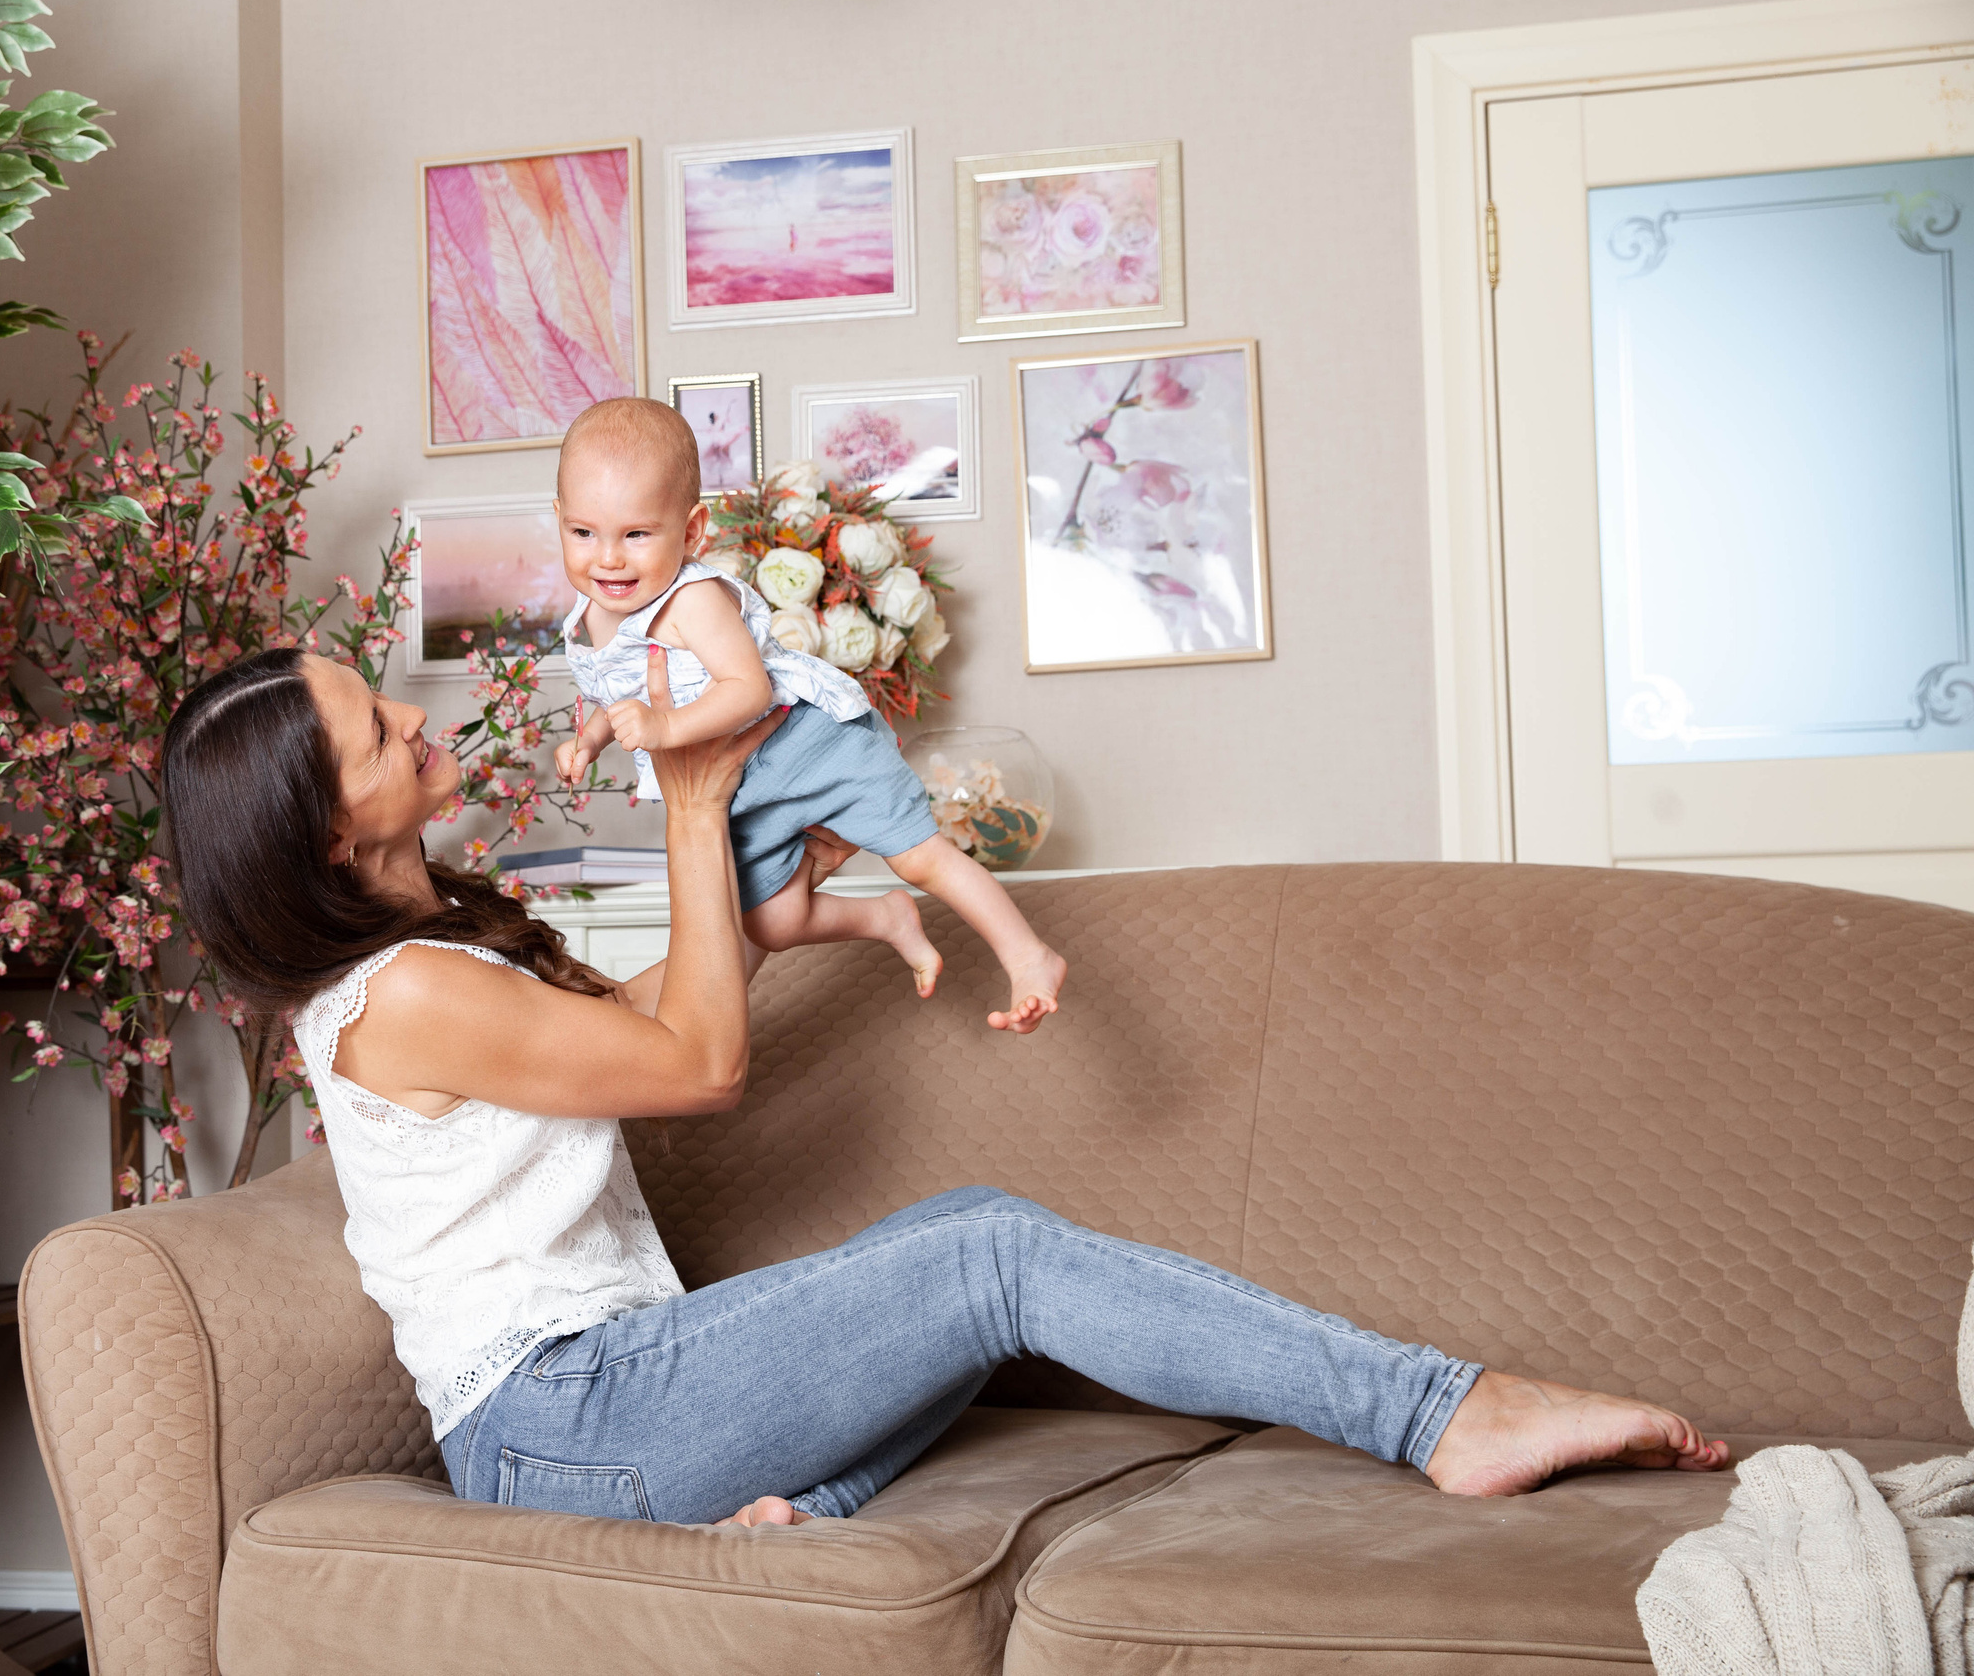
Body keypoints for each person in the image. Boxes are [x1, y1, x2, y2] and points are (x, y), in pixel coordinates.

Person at [159, 640, 1732, 1530]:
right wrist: (698, 800)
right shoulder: (403, 991)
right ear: (326, 832)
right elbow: (694, 1067)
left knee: (969, 1228)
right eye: (377, 726)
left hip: (615, 1394)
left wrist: (774, 906)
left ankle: (784, 1518)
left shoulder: (428, 962)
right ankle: (1445, 1411)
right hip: (563, 1421)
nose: (412, 714)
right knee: (990, 1260)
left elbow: (629, 1029)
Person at [553, 396, 1065, 1033]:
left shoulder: (694, 600)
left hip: (811, 744)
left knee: (920, 857)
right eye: (584, 533)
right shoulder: (589, 618)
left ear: (690, 533)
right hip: (736, 793)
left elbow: (747, 689)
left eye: (636, 534)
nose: (608, 558)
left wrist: (663, 731)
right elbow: (615, 695)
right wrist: (591, 739)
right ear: (559, 521)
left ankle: (1028, 954)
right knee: (768, 922)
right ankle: (886, 918)